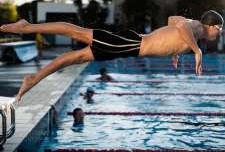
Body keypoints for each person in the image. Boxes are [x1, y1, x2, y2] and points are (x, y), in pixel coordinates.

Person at [0, 10, 223, 101]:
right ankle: (27, 27)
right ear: (211, 26)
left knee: (74, 58)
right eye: (220, 29)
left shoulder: (194, 30)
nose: (219, 33)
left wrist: (176, 50)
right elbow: (181, 25)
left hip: (128, 45)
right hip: (130, 44)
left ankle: (33, 79)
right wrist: (196, 50)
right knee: (74, 31)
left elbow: (172, 20)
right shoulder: (196, 28)